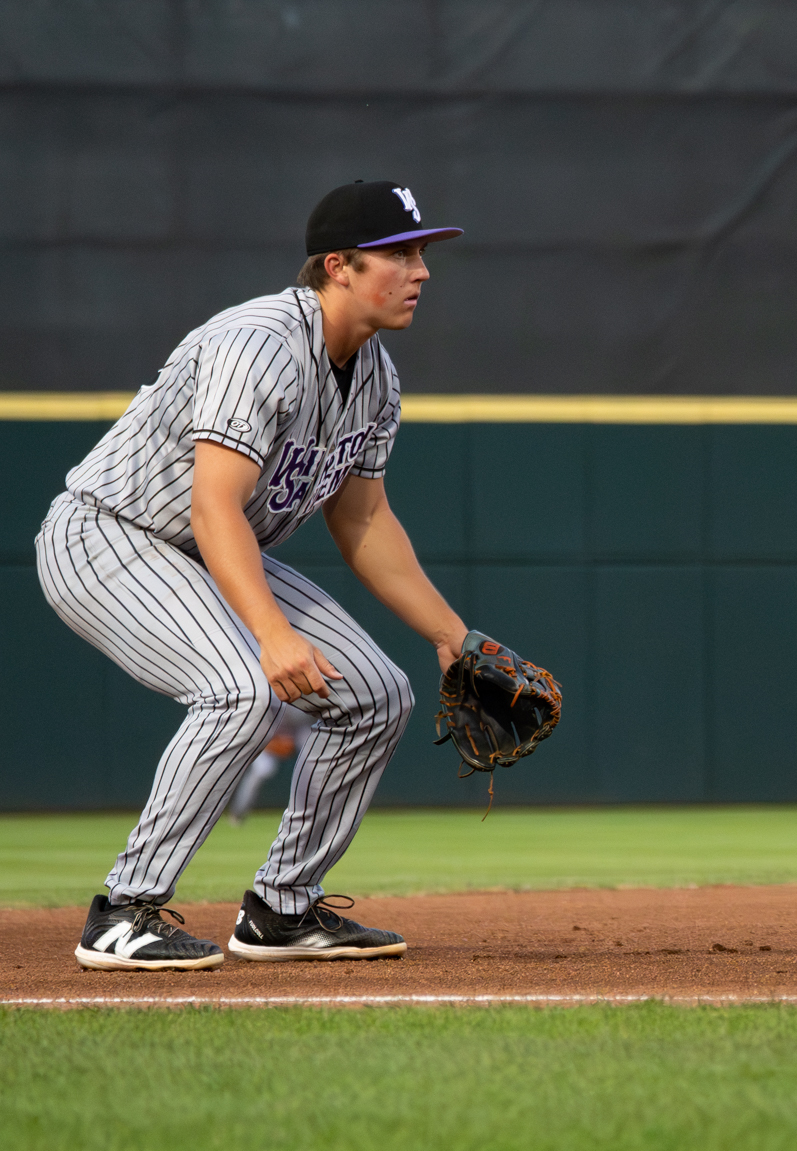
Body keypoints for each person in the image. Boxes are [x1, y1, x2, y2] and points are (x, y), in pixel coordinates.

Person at [38, 180, 473, 969]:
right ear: (338, 266)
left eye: (421, 253)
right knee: (242, 689)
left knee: (377, 695)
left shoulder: (376, 377)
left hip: (204, 550)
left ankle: (282, 909)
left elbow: (363, 519)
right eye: (401, 253)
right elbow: (213, 506)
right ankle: (123, 910)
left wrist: (451, 635)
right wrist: (271, 634)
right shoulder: (260, 343)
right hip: (109, 533)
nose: (422, 270)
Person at [227, 703, 312, 826]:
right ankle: (238, 812)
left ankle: (313, 809)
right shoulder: (268, 703)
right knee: (261, 771)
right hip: (270, 741)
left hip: (296, 736)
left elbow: (308, 725)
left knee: (311, 766)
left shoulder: (300, 704)